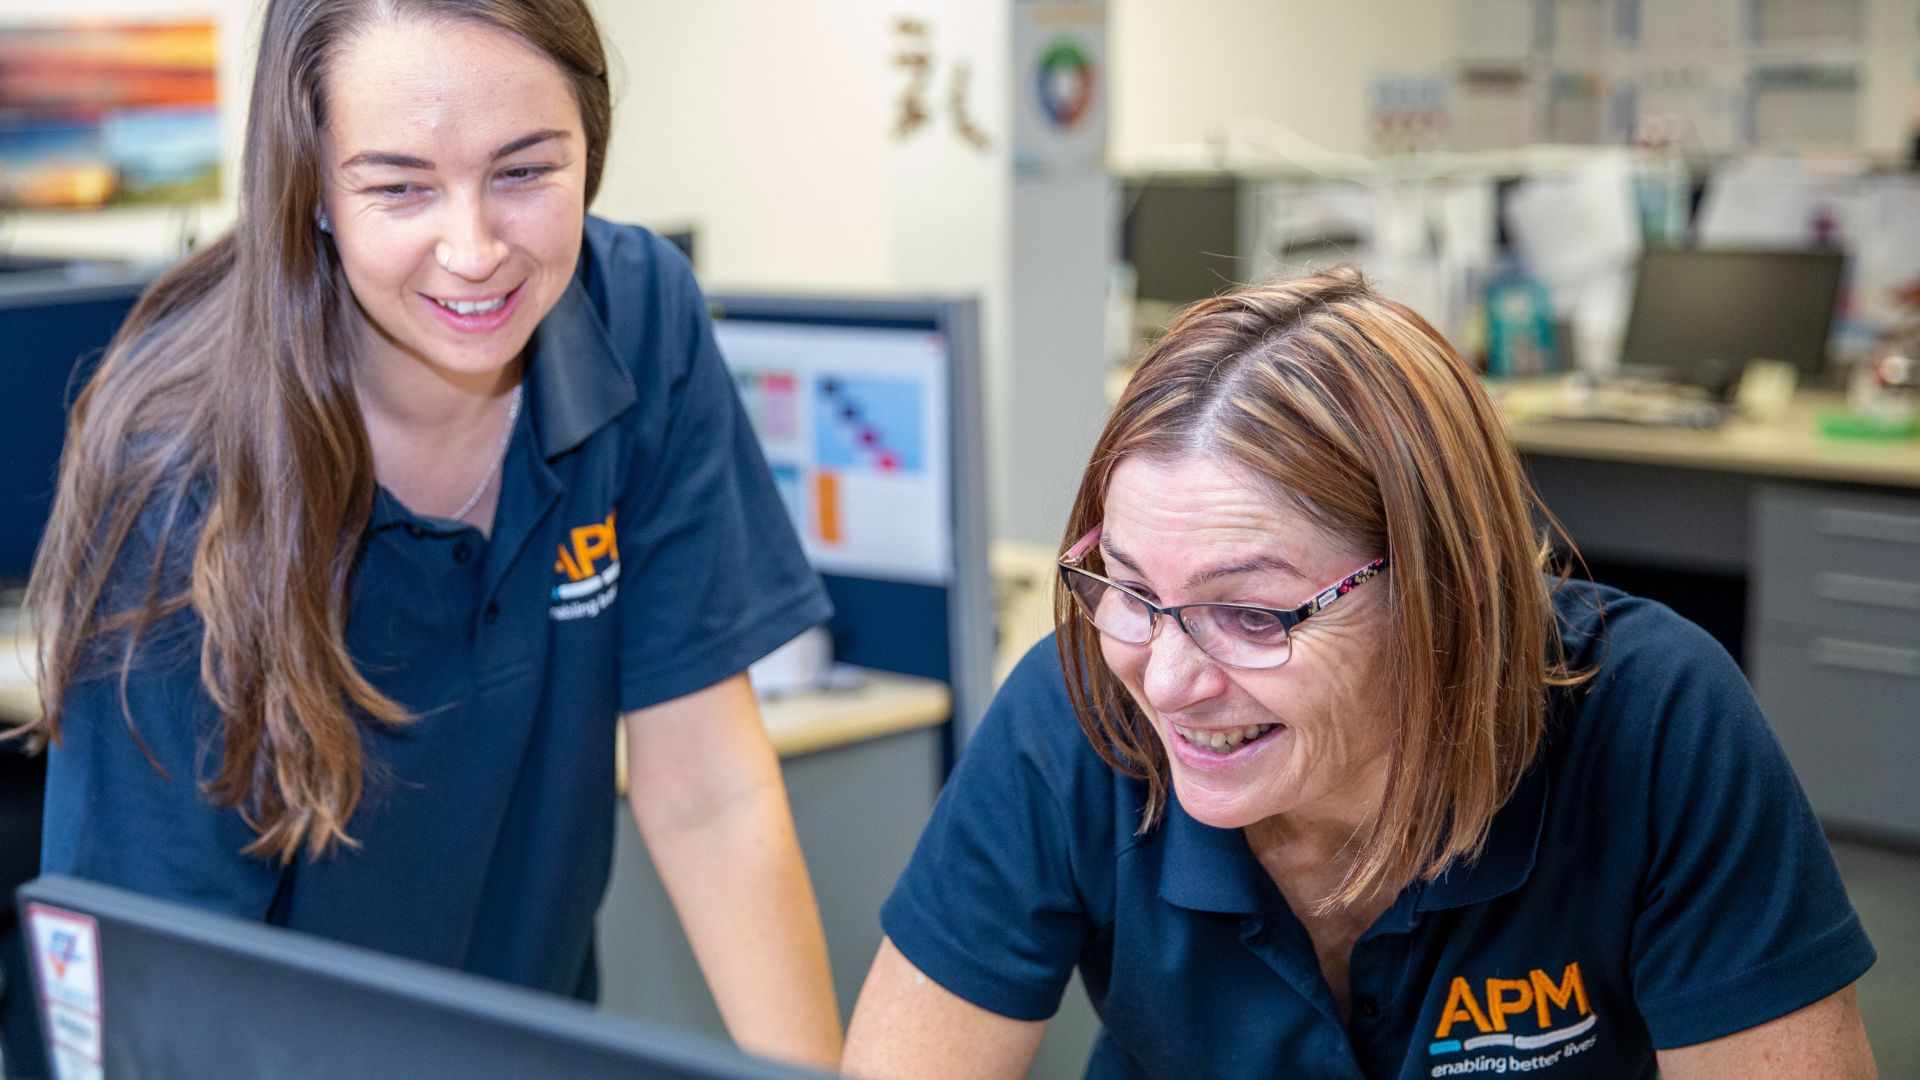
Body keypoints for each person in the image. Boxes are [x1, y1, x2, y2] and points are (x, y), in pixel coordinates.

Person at [17, 0, 841, 1070]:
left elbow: (710, 791)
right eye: (400, 185)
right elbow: (160, 980)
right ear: (312, 181)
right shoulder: (185, 466)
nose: (474, 250)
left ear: (592, 144)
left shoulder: (642, 323)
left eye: (524, 171)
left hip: (509, 1034)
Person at [842, 270, 1879, 1079]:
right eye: (1129, 586)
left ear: (1443, 595)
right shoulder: (1074, 712)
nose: (1163, 682)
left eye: (1250, 613)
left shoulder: (1654, 724)